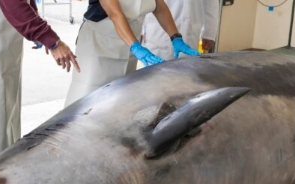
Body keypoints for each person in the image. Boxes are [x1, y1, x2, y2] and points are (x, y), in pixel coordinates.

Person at [0, 0, 81, 166]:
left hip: (0, 32)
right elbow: (13, 3)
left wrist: (36, 20)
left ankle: (0, 164)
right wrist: (51, 40)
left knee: (4, 102)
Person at [64, 0, 200, 106]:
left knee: (118, 100)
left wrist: (175, 37)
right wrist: (136, 47)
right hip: (99, 44)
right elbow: (115, 13)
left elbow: (160, 7)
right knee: (86, 99)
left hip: (128, 44)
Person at [142, 0, 220, 60]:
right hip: (158, 30)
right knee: (154, 74)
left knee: (186, 74)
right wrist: (140, 31)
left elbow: (211, 2)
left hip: (190, 28)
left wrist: (209, 32)